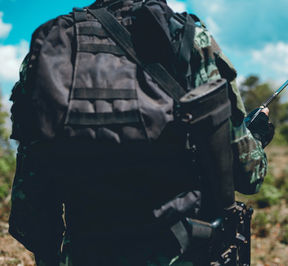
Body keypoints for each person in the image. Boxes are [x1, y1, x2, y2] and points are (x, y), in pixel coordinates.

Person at [8, 0, 274, 265]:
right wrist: (256, 138)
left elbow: (31, 196)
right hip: (182, 251)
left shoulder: (56, 47)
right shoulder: (191, 39)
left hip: (85, 252)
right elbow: (247, 175)